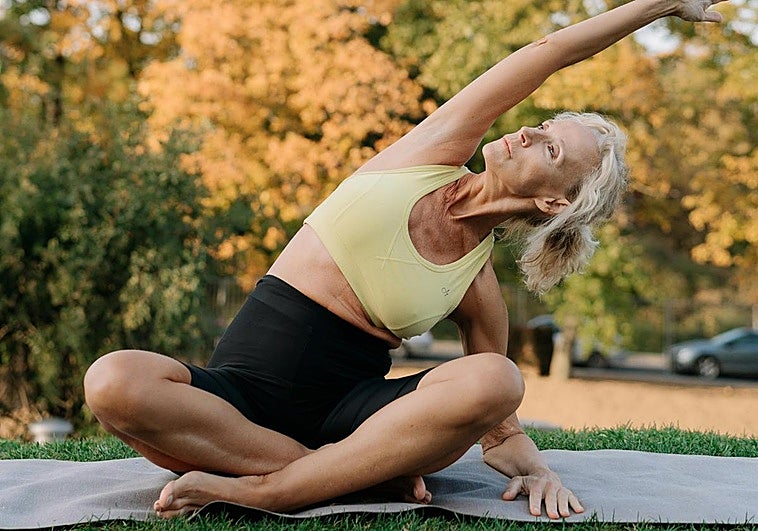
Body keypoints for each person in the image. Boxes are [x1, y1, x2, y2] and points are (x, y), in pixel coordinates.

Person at [83, 0, 726, 520]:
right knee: (114, 381)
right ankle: (342, 481)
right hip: (239, 402)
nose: (529, 131)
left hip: (353, 419)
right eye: (546, 124)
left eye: (552, 150)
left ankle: (273, 490)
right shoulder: (427, 153)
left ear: (554, 202)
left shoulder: (477, 286)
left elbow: (496, 425)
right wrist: (657, 5)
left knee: (497, 377)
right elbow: (546, 54)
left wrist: (537, 467)